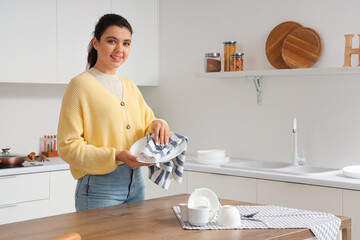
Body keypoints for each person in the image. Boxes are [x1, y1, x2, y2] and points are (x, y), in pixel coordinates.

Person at [57, 13, 170, 211]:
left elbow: (147, 124)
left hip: (136, 184)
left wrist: (158, 123)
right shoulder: (80, 85)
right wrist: (116, 156)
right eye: (112, 41)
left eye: (126, 43)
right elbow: (67, 147)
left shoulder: (130, 86)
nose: (120, 49)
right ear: (96, 43)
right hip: (99, 188)